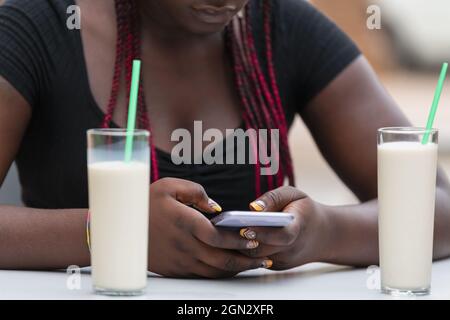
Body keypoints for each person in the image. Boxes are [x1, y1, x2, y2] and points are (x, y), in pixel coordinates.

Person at [0, 0, 449, 278]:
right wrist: (110, 231)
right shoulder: (36, 28)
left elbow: (440, 206)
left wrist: (324, 233)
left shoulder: (281, 25)